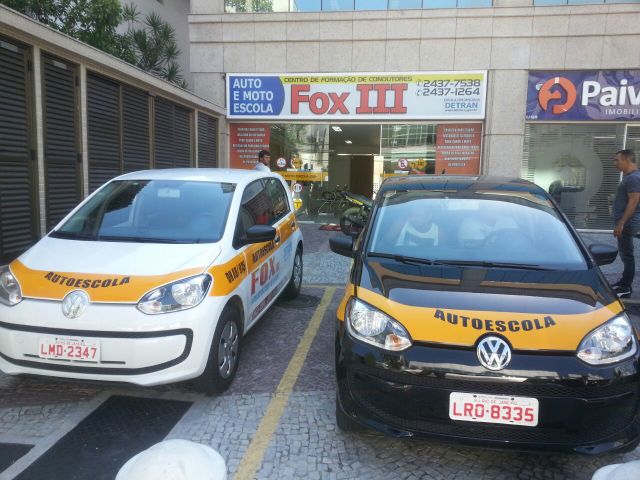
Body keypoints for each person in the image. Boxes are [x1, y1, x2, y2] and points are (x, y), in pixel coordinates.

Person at [611, 149, 640, 297]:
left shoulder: (634, 178)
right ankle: (624, 282)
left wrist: (621, 224)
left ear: (627, 160)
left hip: (627, 224)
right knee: (625, 254)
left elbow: (634, 202)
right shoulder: (630, 177)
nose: (614, 163)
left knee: (627, 255)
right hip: (626, 223)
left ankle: (626, 286)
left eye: (617, 160)